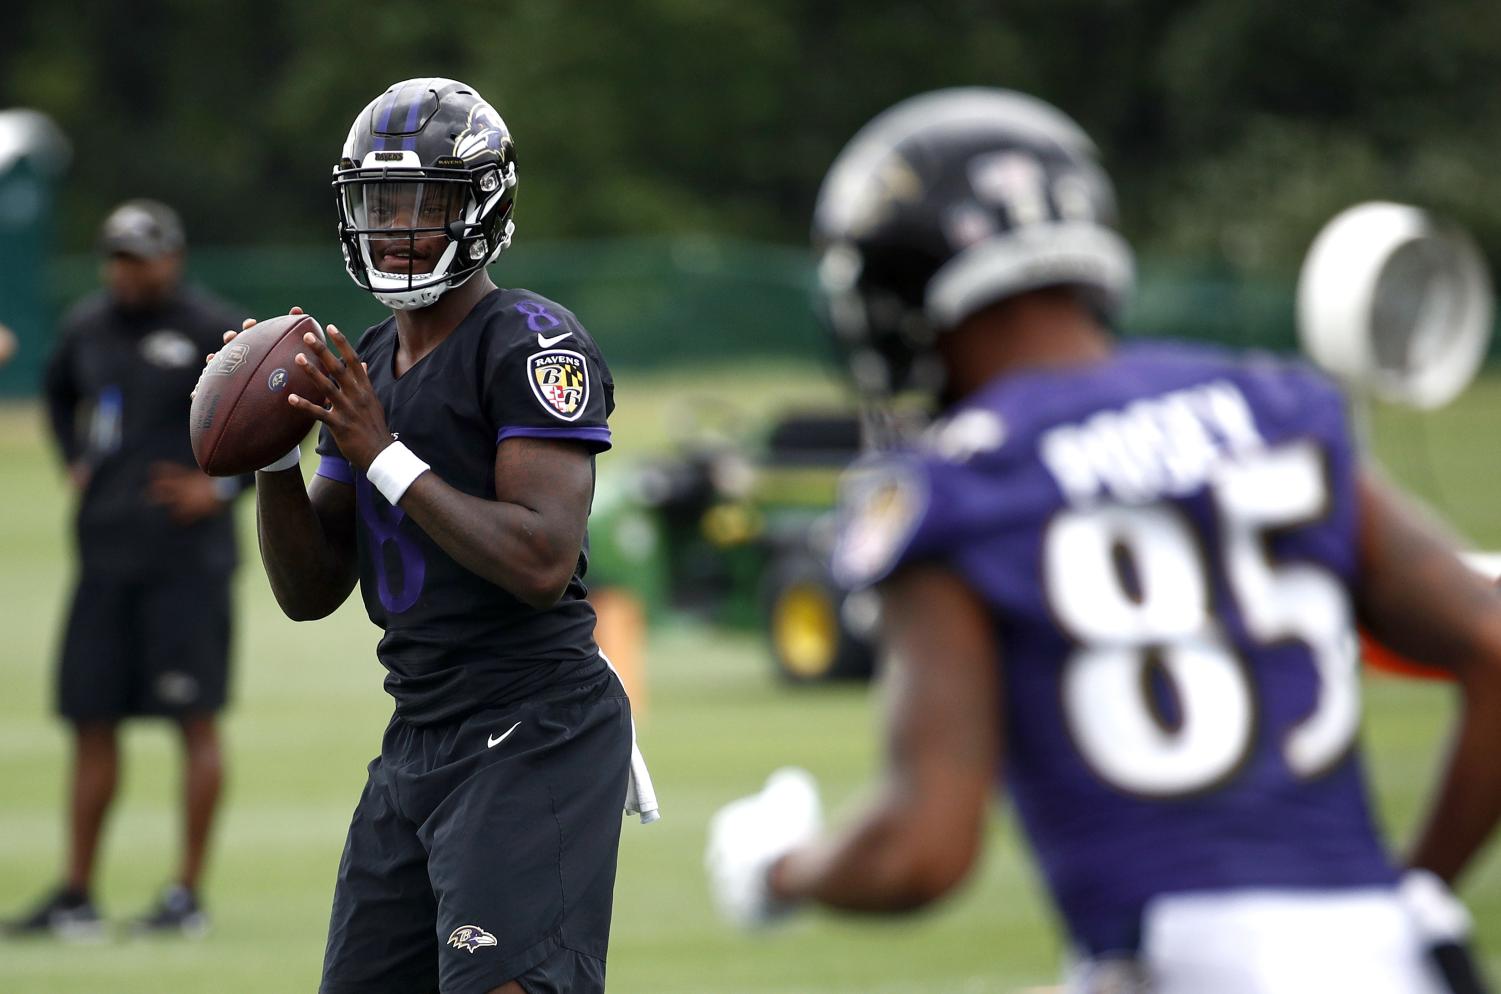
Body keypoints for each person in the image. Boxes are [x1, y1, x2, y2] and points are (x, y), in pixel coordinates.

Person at [705, 88, 1501, 994]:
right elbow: (1492, 643)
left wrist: (780, 870)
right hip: (1389, 962)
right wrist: (1419, 884)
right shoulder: (1277, 407)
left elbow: (919, 853)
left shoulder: (957, 486)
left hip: (1172, 960)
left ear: (895, 284)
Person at [241, 77, 654, 994]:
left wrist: (381, 453)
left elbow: (543, 560)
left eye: (421, 207)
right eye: (377, 205)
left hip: (532, 718)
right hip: (421, 728)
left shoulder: (530, 340)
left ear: (482, 209)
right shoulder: (372, 363)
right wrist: (271, 459)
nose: (394, 229)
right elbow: (311, 592)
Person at [9, 199, 247, 938]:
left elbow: (285, 420)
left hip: (188, 566)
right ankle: (77, 893)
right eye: (116, 256)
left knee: (193, 720)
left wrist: (222, 487)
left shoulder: (216, 330)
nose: (127, 271)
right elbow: (56, 397)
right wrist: (75, 460)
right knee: (90, 721)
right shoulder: (87, 325)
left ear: (172, 257)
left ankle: (186, 897)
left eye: (140, 256)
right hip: (104, 561)